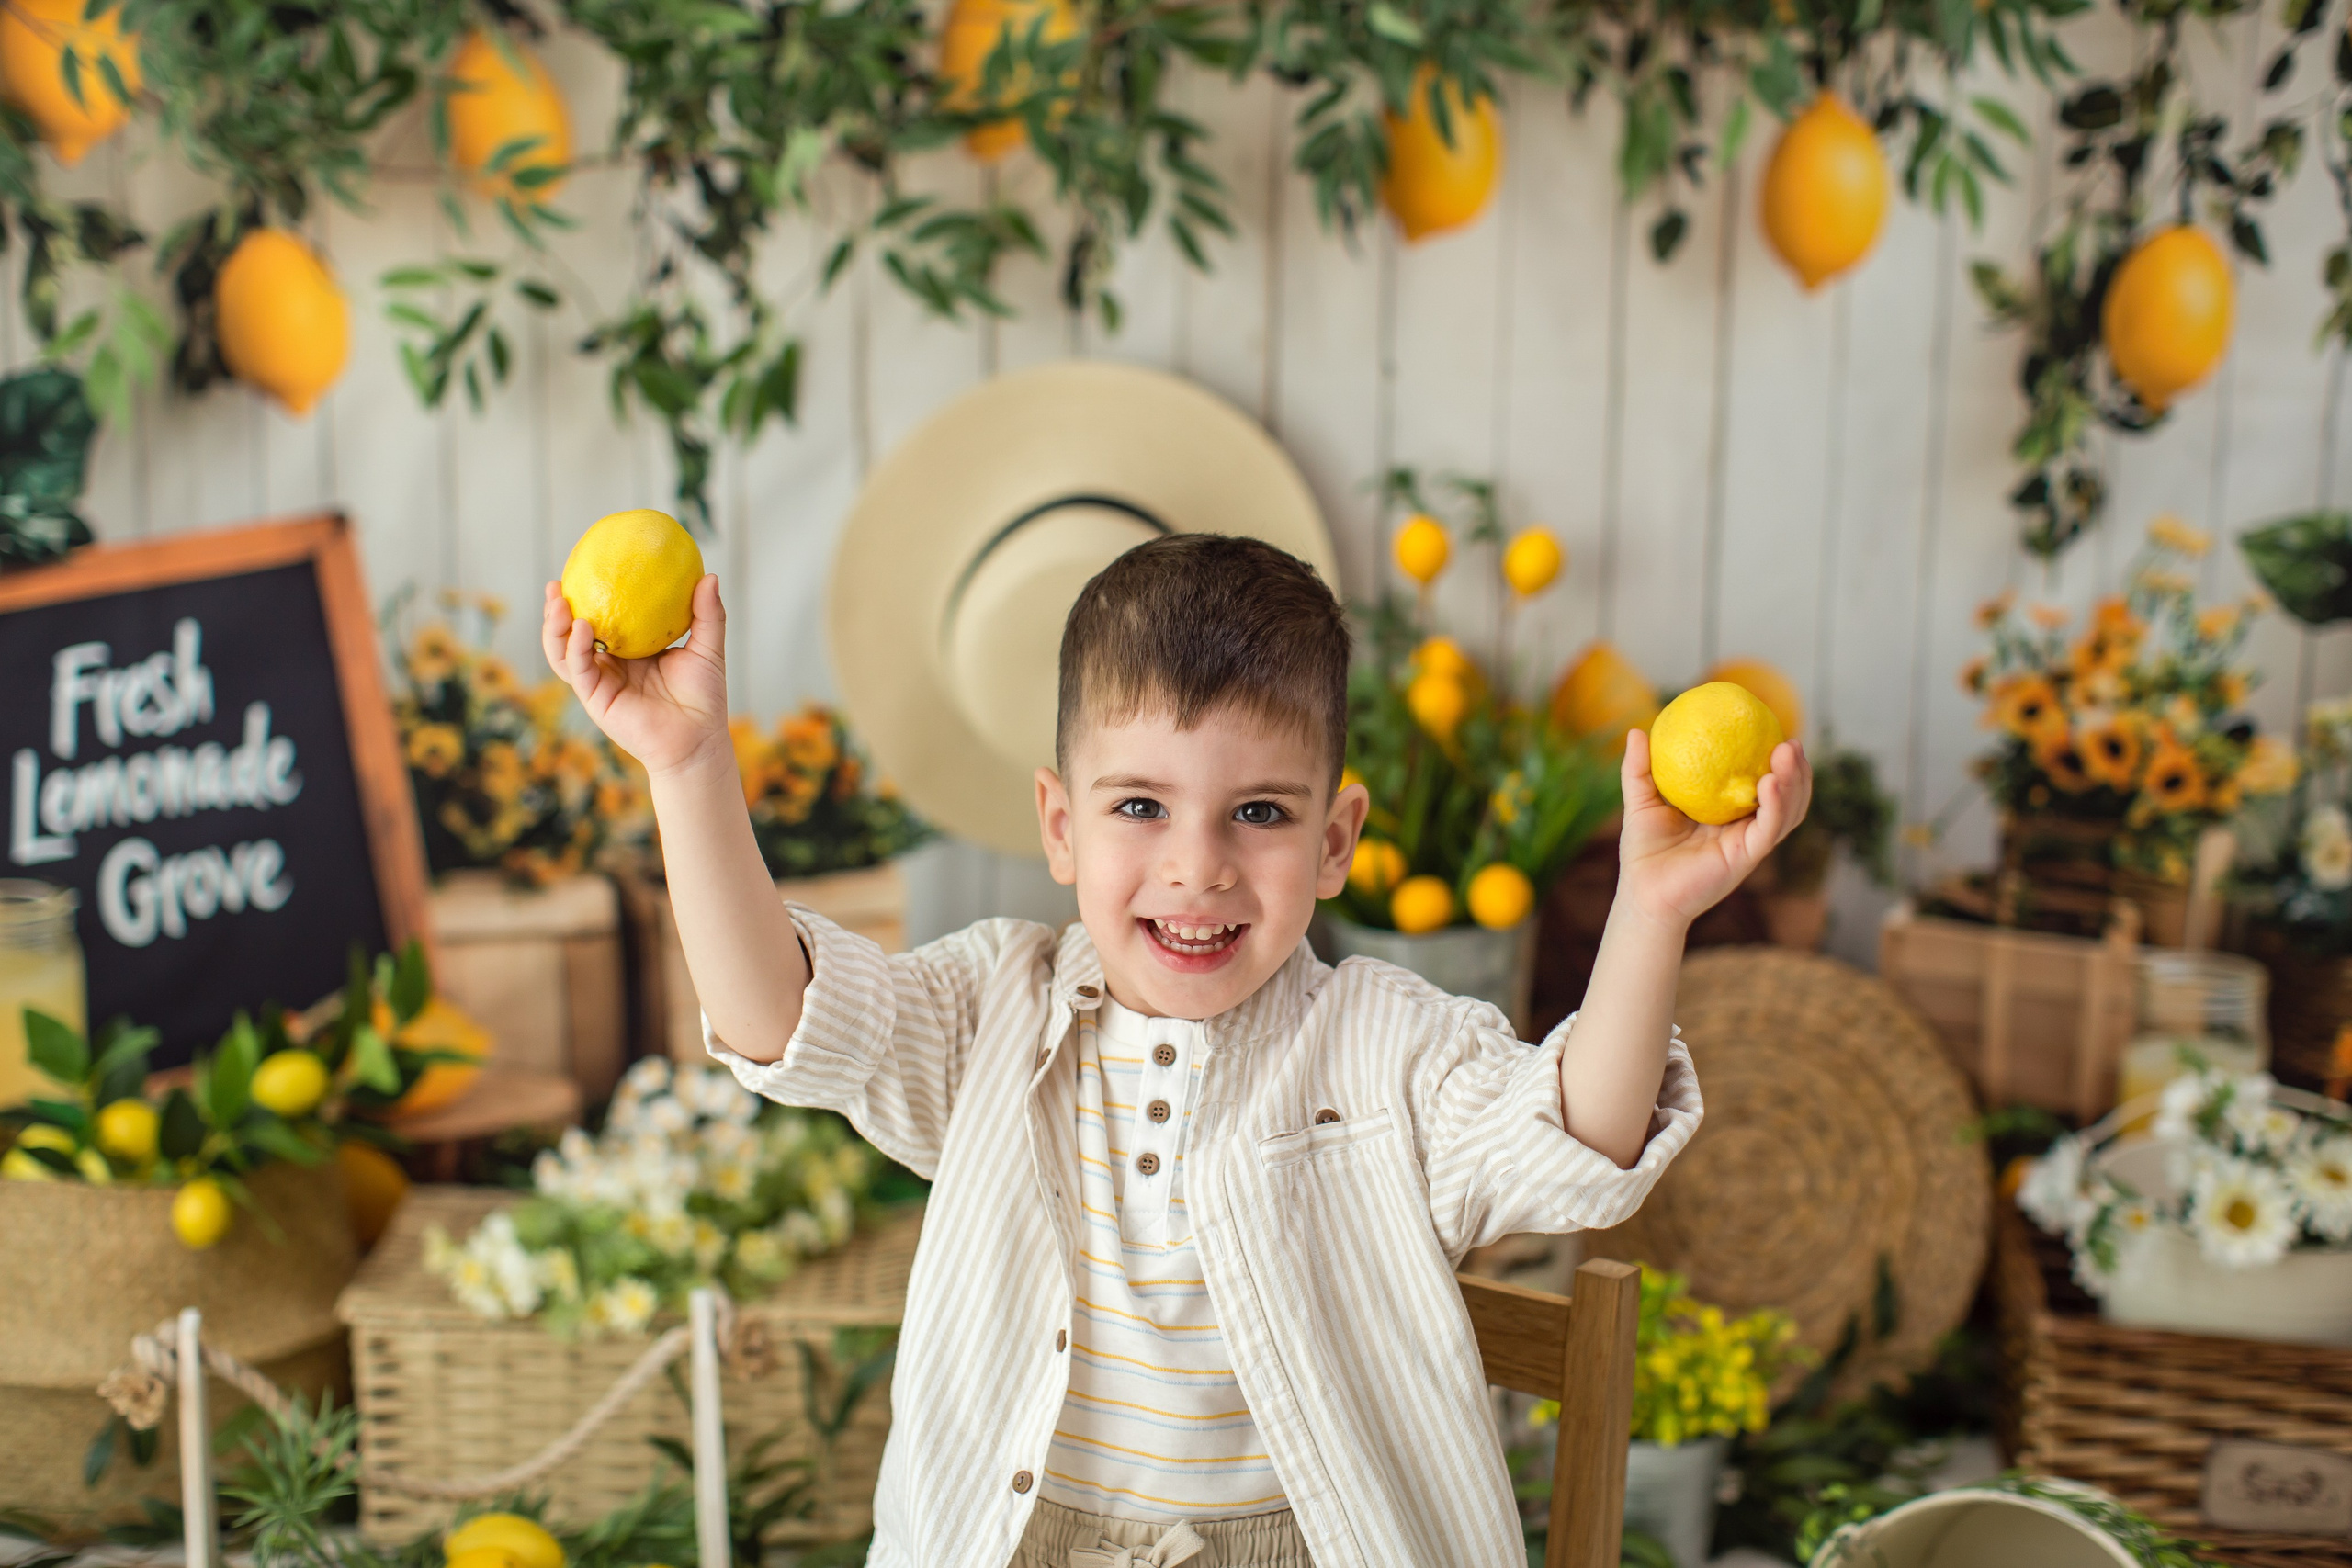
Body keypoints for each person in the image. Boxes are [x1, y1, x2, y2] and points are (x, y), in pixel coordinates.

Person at [541, 534, 1812, 1568]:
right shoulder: (997, 1011)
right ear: (1059, 824)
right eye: (1140, 806)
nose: (1198, 866)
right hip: (1012, 1542)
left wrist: (1653, 911)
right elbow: (781, 1020)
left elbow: (1583, 1137)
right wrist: (688, 763)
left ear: (1334, 839)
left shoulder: (1387, 1047)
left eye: (1258, 813)